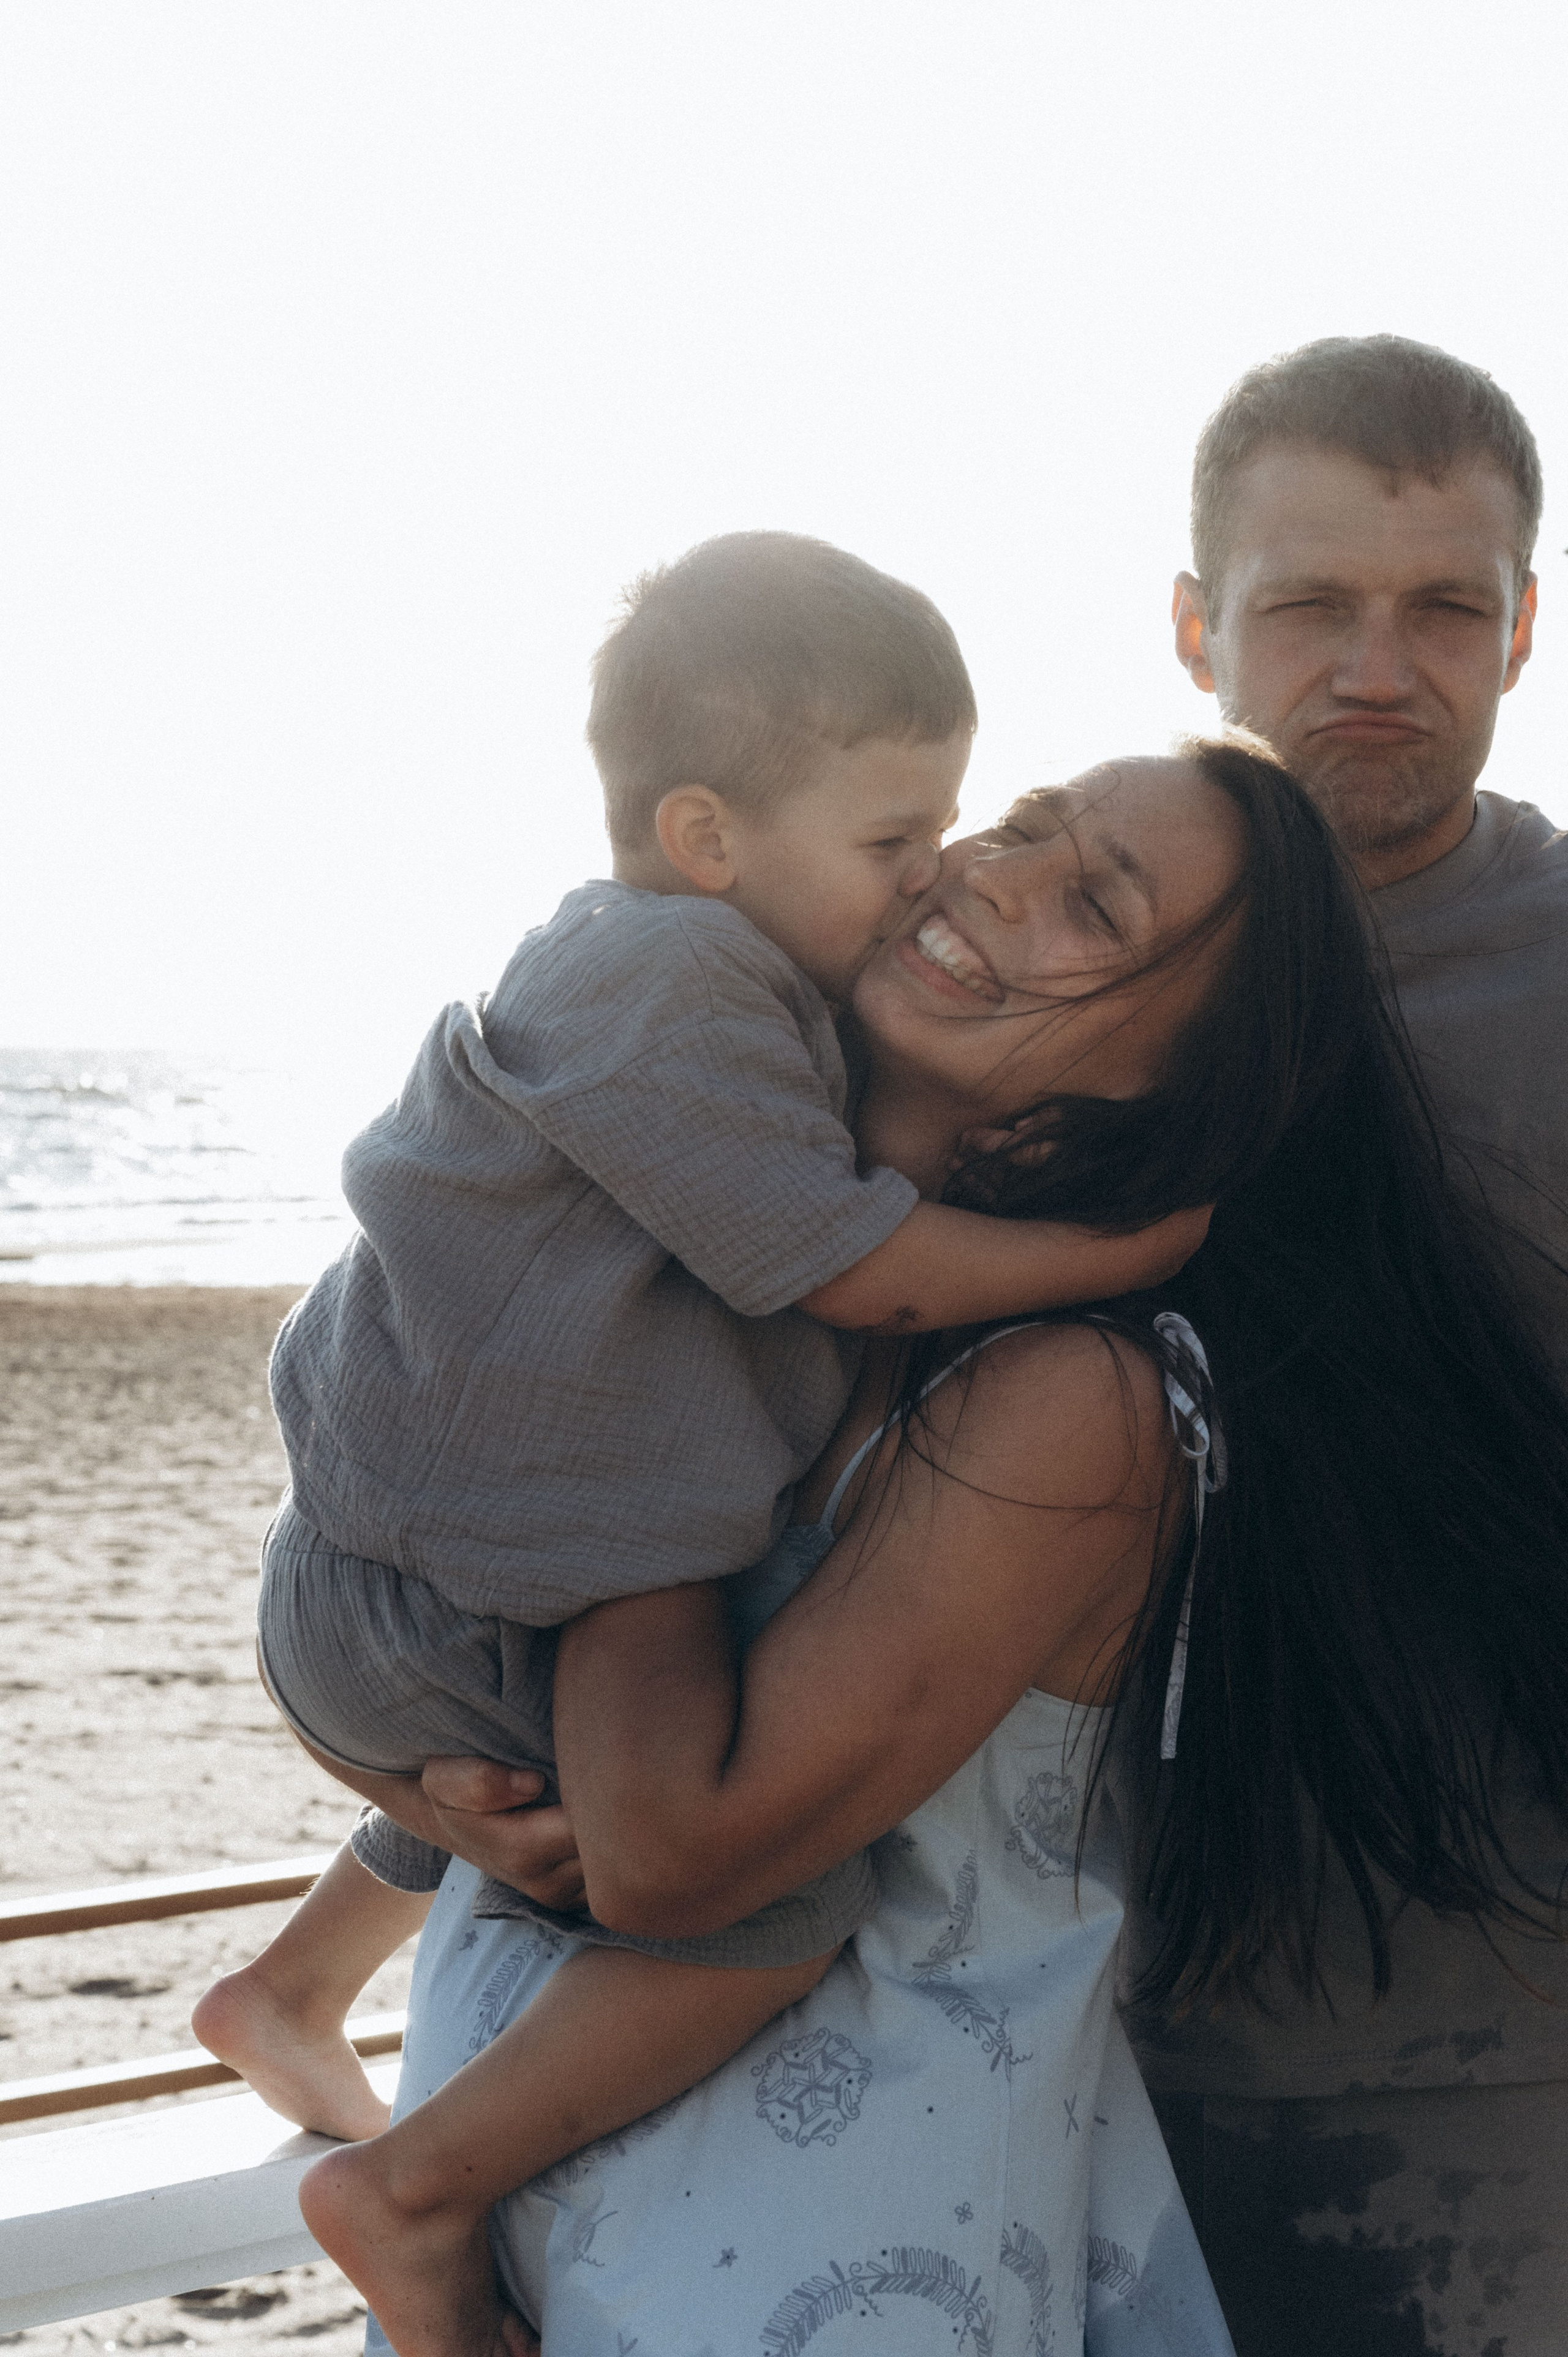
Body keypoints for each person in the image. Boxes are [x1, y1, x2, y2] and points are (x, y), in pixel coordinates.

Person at [347, 737, 1568, 2357]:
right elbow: (374, 1567)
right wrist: (427, 1792)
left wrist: (613, 1445)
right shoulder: (729, 1261)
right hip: (519, 2205)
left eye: (1094, 905)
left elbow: (668, 1857)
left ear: (1167, 1081)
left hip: (833, 2269)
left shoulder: (1072, 1400)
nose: (996, 875)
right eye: (1026, 824)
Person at [194, 532, 1205, 2349]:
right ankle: (412, 2189)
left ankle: (304, 2001)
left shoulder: (721, 1013)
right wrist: (1118, 1250)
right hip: (459, 1578)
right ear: (709, 838)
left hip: (419, 1577)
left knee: (576, 1742)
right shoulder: (689, 996)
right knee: (775, 1901)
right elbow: (843, 1262)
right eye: (917, 836)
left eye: (1083, 896)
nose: (947, 874)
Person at [1143, 334, 1568, 2351]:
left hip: (1489, 2073)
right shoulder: (1044, 946)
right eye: (1312, 603)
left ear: (1526, 630)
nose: (1379, 667)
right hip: (1034, 2029)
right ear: (1197, 627)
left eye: (1446, 610)